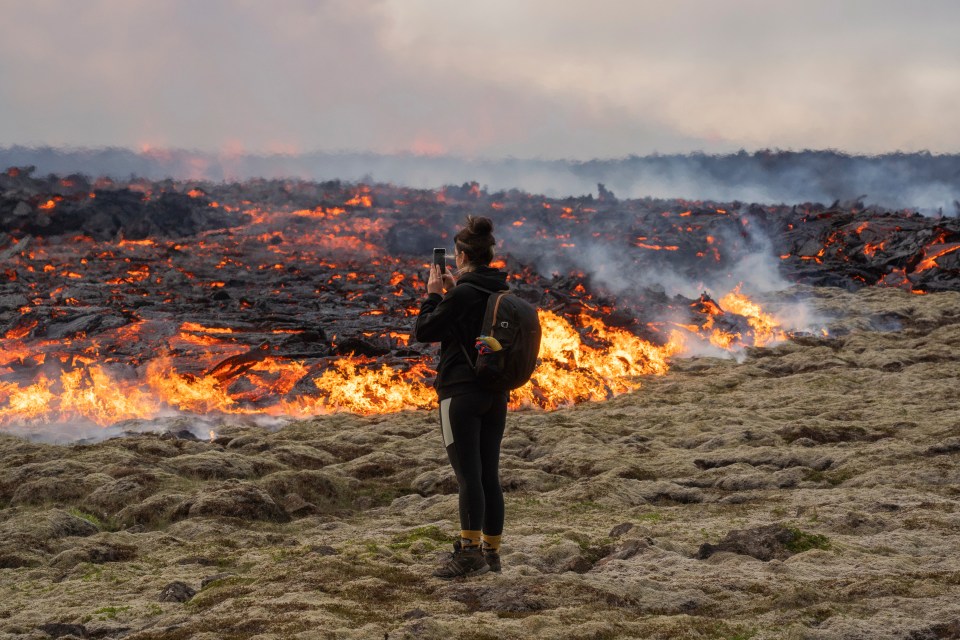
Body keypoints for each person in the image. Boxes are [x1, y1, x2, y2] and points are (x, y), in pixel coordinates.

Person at [414, 215, 509, 579]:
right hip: (495, 394)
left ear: (461, 255)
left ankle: (469, 553)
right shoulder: (498, 291)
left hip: (460, 393)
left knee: (468, 477)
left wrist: (434, 296)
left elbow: (425, 330)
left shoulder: (464, 293)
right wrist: (454, 293)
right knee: (489, 476)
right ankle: (491, 553)